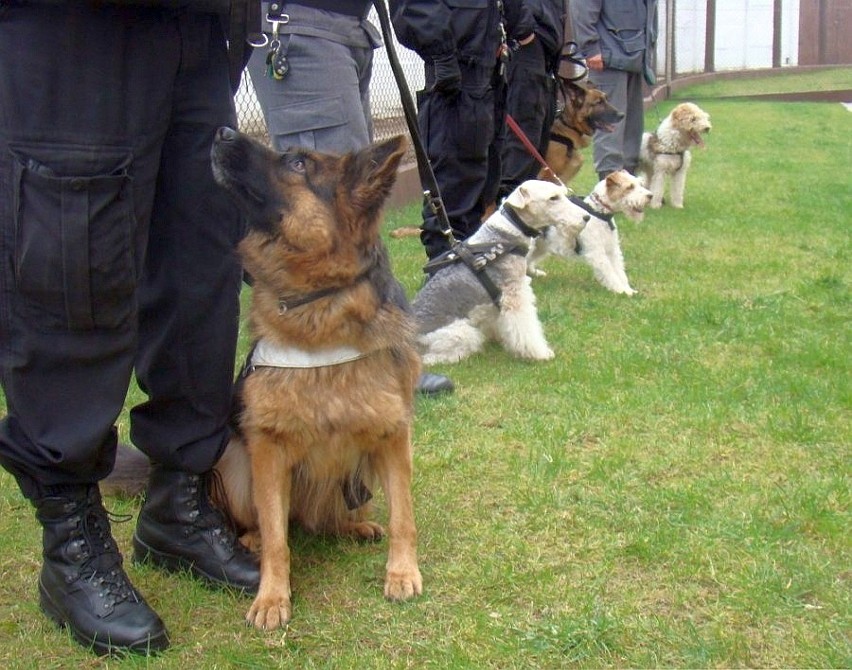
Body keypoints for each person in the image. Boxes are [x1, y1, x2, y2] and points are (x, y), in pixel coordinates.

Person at [0, 1, 262, 656]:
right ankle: (71, 540)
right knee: (74, 263)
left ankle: (180, 501)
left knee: (200, 261)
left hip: (200, 24)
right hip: (76, 27)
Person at [247, 0, 454, 395]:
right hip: (302, 28)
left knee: (353, 213)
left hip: (345, 27)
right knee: (329, 215)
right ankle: (349, 364)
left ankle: (376, 353)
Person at [391, 0, 535, 260]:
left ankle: (468, 276)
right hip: (457, 71)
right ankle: (445, 275)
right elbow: (412, 8)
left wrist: (516, 24)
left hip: (488, 68)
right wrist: (442, 53)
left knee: (483, 181)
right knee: (452, 185)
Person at [569, 0, 658, 180]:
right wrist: (590, 47)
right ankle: (610, 185)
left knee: (633, 124)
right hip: (608, 57)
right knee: (609, 125)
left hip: (635, 55)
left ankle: (628, 184)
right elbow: (583, 8)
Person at [499, 0, 567, 202]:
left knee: (534, 147)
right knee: (520, 148)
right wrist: (524, 32)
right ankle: (507, 215)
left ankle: (523, 223)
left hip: (543, 54)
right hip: (525, 50)